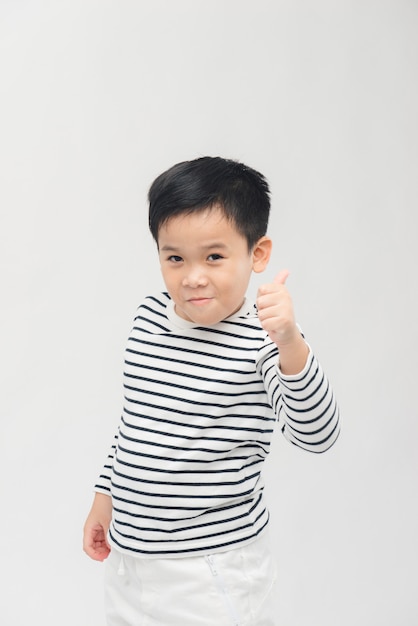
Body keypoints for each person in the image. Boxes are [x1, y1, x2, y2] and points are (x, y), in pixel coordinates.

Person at [83, 156, 340, 625]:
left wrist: (290, 344)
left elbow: (317, 435)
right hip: (132, 564)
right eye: (175, 257)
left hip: (212, 571)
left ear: (257, 254)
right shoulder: (147, 318)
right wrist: (106, 497)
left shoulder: (266, 340)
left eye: (215, 257)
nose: (193, 276)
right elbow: (136, 424)